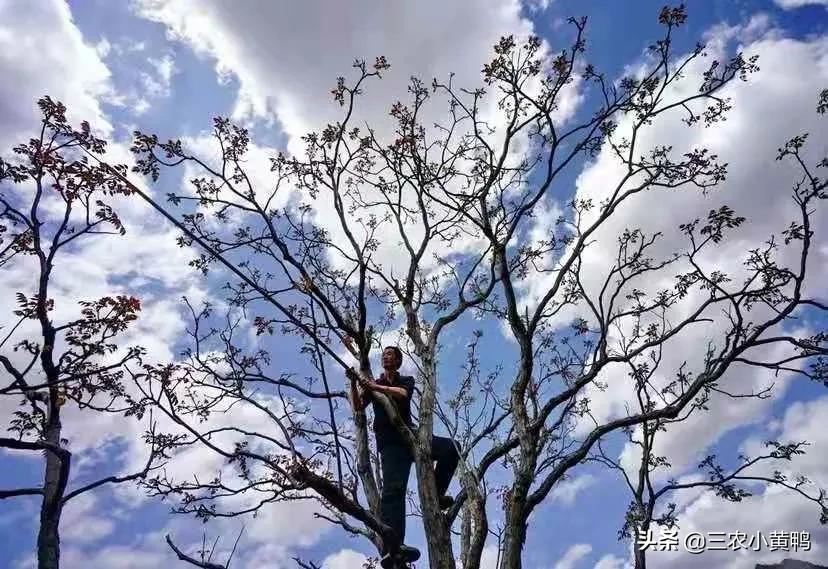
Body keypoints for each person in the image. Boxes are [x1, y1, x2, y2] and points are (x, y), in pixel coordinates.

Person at [347, 346, 459, 568]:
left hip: (411, 434)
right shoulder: (372, 385)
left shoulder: (405, 380)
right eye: (384, 354)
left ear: (397, 361)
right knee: (393, 491)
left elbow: (402, 394)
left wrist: (373, 386)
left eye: (390, 354)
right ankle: (395, 549)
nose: (386, 356)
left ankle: (436, 492)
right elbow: (358, 407)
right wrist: (354, 383)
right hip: (390, 444)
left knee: (451, 448)